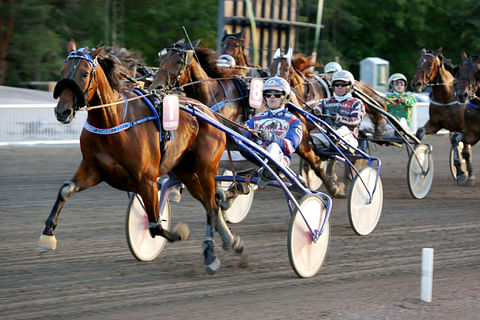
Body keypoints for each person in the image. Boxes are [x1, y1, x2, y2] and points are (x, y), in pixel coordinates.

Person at [311, 70, 365, 196]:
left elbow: (357, 120)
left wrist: (342, 119)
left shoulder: (356, 103)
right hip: (328, 137)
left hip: (348, 140)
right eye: (336, 84)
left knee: (342, 130)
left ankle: (334, 139)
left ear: (349, 86)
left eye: (343, 84)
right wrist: (314, 112)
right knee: (310, 138)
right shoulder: (325, 102)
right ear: (333, 86)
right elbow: (316, 110)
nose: (339, 87)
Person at [243, 77, 303, 189]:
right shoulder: (256, 118)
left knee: (274, 147)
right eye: (268, 94)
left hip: (280, 158)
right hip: (255, 157)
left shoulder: (294, 121)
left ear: (286, 97)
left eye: (277, 94)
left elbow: (290, 147)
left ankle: (266, 174)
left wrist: (272, 137)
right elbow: (242, 135)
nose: (271, 97)